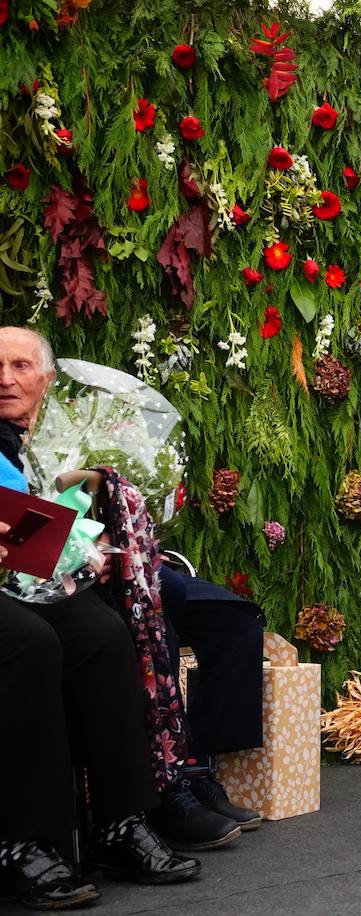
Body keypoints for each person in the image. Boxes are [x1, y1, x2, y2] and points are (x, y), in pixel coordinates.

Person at [0, 327, 200, 909]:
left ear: (45, 379)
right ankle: (22, 840)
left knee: (101, 634)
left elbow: (29, 528)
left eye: (18, 365)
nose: (5, 378)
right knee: (30, 644)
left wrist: (81, 544)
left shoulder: (31, 441)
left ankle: (120, 820)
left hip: (20, 581)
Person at [158, 563, 266, 833]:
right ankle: (165, 785)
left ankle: (195, 763)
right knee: (160, 617)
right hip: (73, 570)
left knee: (239, 624)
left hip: (141, 563)